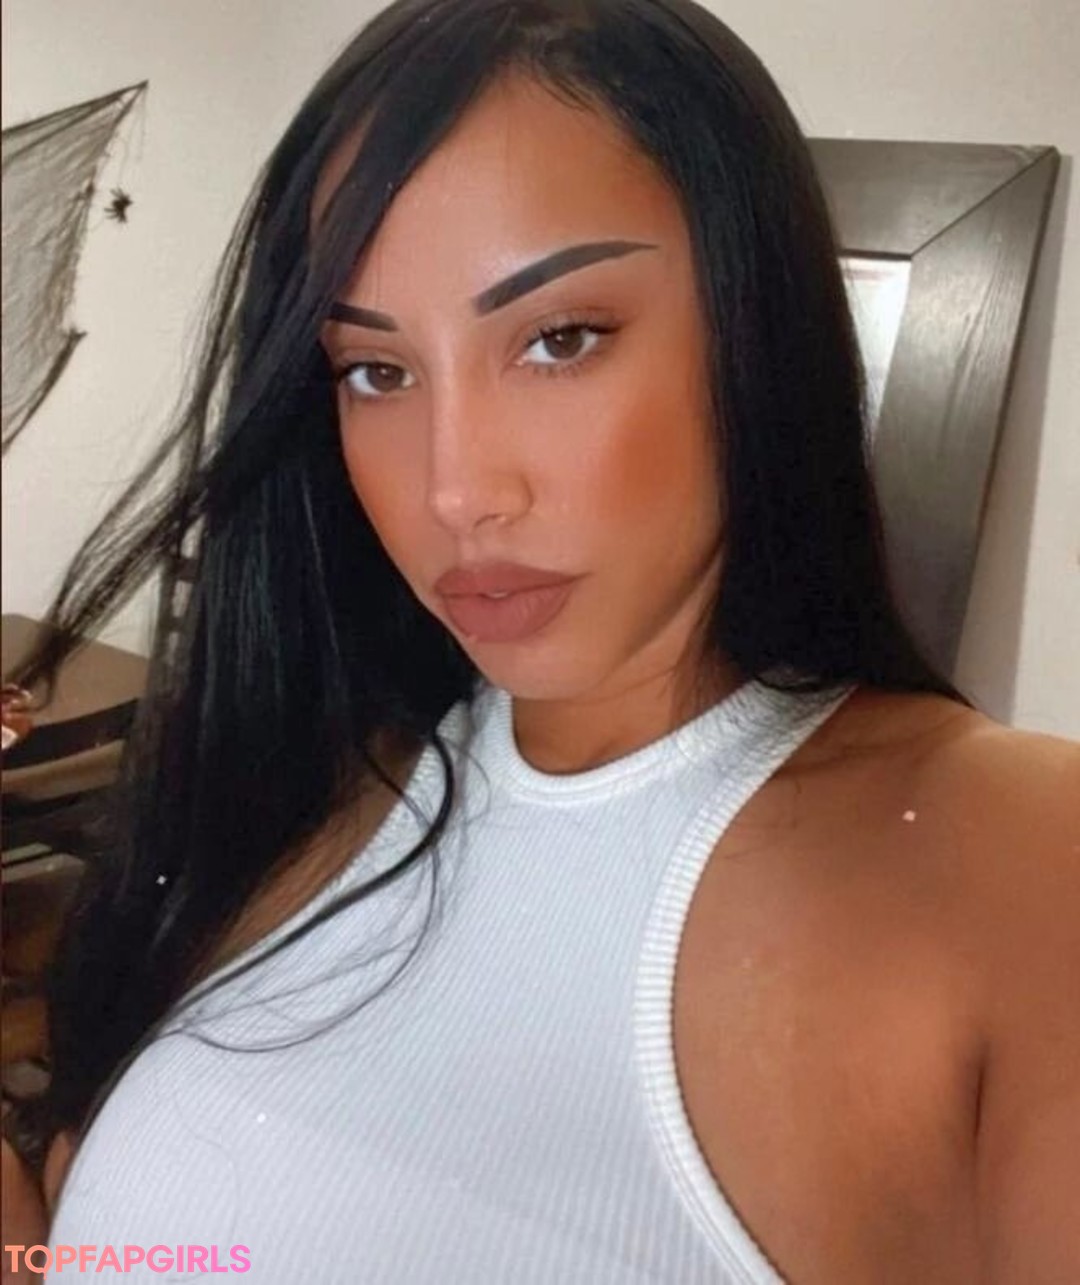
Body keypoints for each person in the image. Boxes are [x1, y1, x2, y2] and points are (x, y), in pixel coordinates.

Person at [2, 0, 1077, 1279]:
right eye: (376, 371)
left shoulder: (1021, 864)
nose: (456, 490)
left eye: (560, 340)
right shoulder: (306, 784)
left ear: (758, 328)